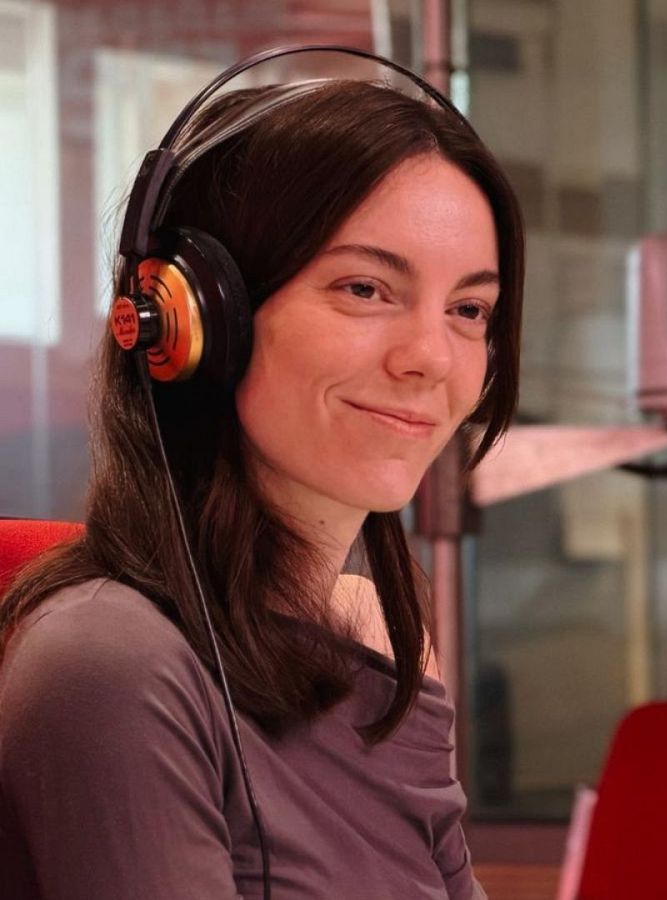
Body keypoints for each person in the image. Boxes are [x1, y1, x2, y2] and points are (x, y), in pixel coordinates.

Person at [0, 59, 523, 899]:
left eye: (469, 310)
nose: (431, 358)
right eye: (365, 288)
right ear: (193, 319)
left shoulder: (375, 642)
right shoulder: (110, 664)